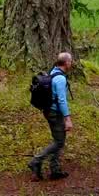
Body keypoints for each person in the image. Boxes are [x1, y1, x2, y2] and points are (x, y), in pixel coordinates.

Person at [28, 52, 73, 181]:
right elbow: (61, 100)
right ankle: (36, 161)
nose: (72, 63)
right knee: (59, 142)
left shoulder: (53, 71)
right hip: (55, 113)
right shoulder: (60, 79)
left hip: (48, 111)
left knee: (58, 139)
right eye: (70, 61)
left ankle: (55, 169)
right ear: (66, 63)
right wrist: (67, 118)